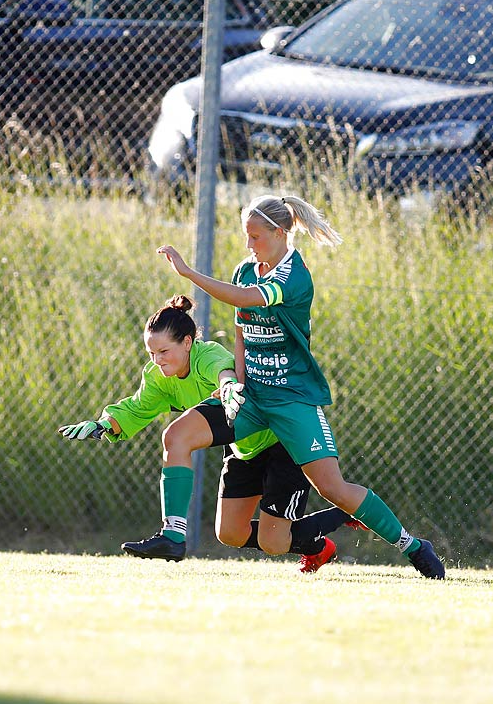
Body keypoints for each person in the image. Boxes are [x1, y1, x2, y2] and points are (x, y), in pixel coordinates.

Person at [153, 194, 445, 579]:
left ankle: (411, 545)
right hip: (254, 397)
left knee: (333, 489)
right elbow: (241, 332)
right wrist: (237, 384)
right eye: (246, 236)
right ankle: (172, 536)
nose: (249, 244)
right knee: (179, 436)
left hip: (292, 401)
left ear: (278, 233)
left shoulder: (293, 276)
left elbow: (247, 299)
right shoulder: (246, 269)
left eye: (255, 236)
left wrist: (190, 274)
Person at [59, 295, 341, 570]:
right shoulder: (158, 376)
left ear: (187, 343)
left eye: (164, 352)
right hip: (243, 448)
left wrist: (229, 386)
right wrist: (103, 424)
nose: (157, 360)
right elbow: (136, 408)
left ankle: (348, 511)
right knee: (230, 534)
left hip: (279, 441)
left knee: (273, 540)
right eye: (151, 353)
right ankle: (318, 547)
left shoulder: (207, 355)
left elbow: (225, 372)